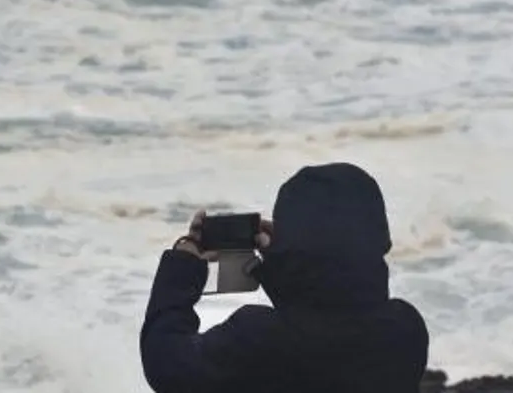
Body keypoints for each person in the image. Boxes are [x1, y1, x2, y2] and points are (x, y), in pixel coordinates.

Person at [139, 162, 429, 393]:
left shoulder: (255, 339)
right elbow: (326, 317)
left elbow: (165, 363)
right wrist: (285, 265)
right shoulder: (405, 331)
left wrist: (182, 264)